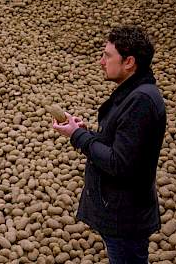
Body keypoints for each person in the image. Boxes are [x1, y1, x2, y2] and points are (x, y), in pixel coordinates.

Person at [52, 25, 166, 263]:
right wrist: (85, 133)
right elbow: (123, 146)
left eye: (107, 55)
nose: (101, 61)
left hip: (125, 218)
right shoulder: (133, 92)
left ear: (129, 62)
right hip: (121, 211)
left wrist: (78, 137)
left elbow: (119, 163)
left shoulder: (141, 101)